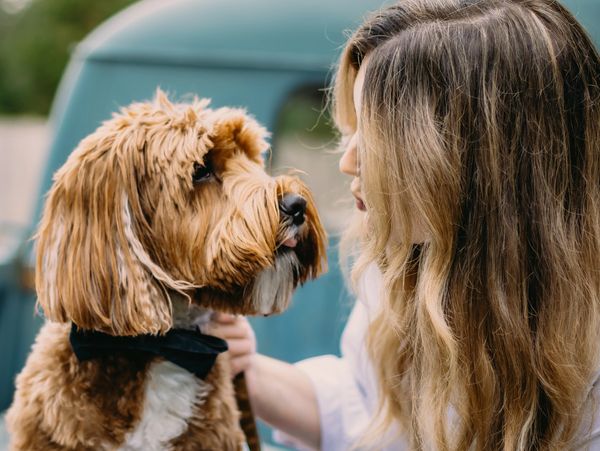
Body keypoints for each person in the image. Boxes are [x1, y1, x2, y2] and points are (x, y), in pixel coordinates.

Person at [211, 0, 600, 449]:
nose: (347, 160)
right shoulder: (406, 265)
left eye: (379, 137)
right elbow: (372, 413)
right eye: (352, 129)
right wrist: (245, 366)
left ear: (475, 161)